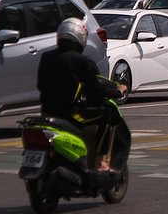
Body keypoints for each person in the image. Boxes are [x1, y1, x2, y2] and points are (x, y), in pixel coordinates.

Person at [37, 17, 128, 171]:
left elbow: (40, 85)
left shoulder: (46, 57)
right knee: (108, 113)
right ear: (80, 37)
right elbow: (95, 89)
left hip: (47, 111)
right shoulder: (79, 60)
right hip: (70, 113)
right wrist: (117, 92)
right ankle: (100, 161)